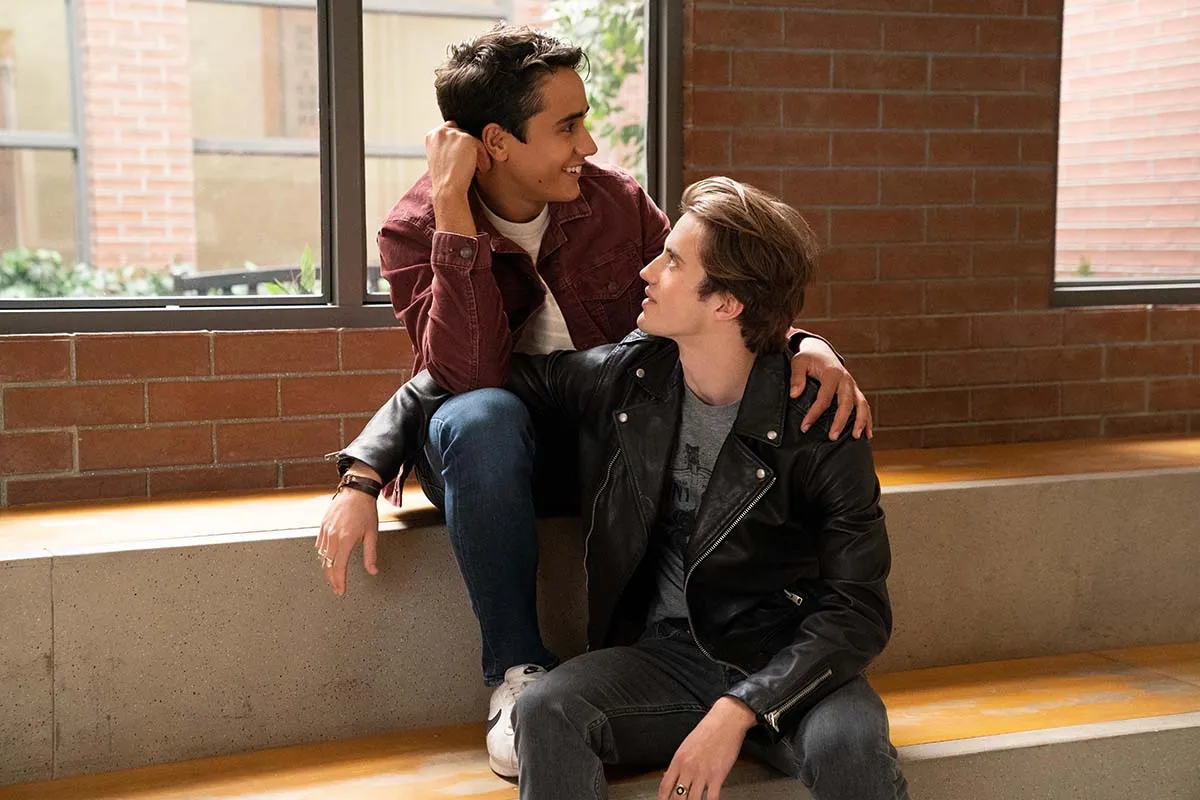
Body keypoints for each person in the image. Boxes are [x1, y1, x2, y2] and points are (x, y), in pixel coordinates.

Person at [316, 25, 876, 778]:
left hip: (611, 428)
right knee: (484, 414)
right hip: (488, 453)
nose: (589, 143)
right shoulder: (415, 228)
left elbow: (714, 298)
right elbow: (465, 374)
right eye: (567, 126)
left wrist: (801, 341)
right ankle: (516, 668)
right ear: (495, 142)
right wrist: (453, 215)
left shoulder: (613, 201)